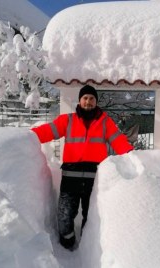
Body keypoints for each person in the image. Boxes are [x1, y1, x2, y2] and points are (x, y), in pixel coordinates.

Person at [31, 85, 133, 250]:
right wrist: (30, 136)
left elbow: (119, 141)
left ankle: (87, 246)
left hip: (95, 178)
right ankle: (67, 244)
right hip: (71, 176)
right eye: (85, 98)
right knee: (65, 215)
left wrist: (132, 156)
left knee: (91, 216)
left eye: (92, 98)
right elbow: (48, 131)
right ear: (80, 100)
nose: (88, 101)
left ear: (96, 102)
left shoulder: (105, 122)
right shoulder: (68, 120)